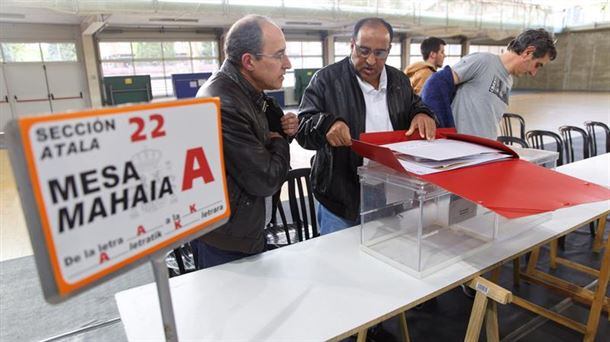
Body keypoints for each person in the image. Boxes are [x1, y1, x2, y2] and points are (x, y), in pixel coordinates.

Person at [296, 17, 437, 235]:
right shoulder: (326, 79)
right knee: (339, 262)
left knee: (386, 254)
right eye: (363, 51)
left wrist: (422, 113)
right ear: (352, 45)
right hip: (342, 193)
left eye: (379, 53)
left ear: (388, 51)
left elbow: (416, 105)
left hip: (390, 190)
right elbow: (303, 126)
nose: (371, 60)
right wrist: (326, 124)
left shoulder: (398, 81)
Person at [192, 15, 298, 269]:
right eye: (279, 55)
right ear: (249, 61)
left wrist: (282, 132)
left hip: (243, 230)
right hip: (226, 243)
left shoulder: (248, 92)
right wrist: (280, 143)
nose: (288, 64)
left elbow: (265, 146)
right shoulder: (224, 102)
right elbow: (266, 179)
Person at [450, 28, 557, 140]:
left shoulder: (508, 81)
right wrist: (430, 115)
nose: (533, 73)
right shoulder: (482, 61)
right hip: (462, 147)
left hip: (484, 149)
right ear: (528, 52)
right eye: (537, 65)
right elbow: (437, 82)